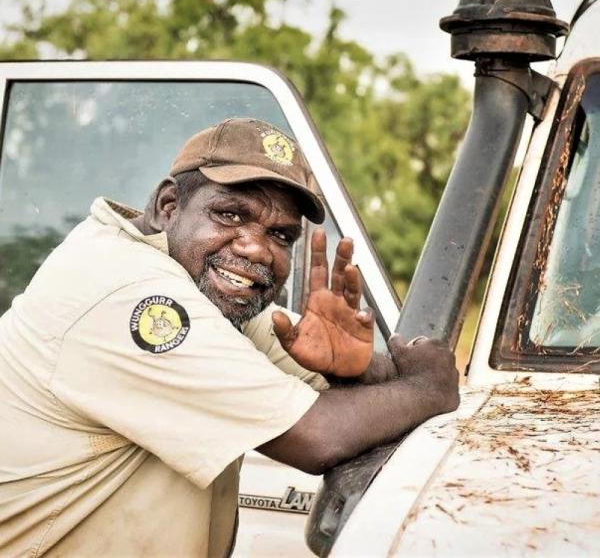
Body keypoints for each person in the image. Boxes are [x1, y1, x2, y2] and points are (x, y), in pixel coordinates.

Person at [0, 118, 459, 556]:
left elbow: (346, 403)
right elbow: (315, 435)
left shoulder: (205, 290)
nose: (256, 248)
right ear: (168, 207)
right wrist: (428, 388)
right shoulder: (130, 293)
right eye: (230, 214)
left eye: (280, 235)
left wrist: (359, 368)